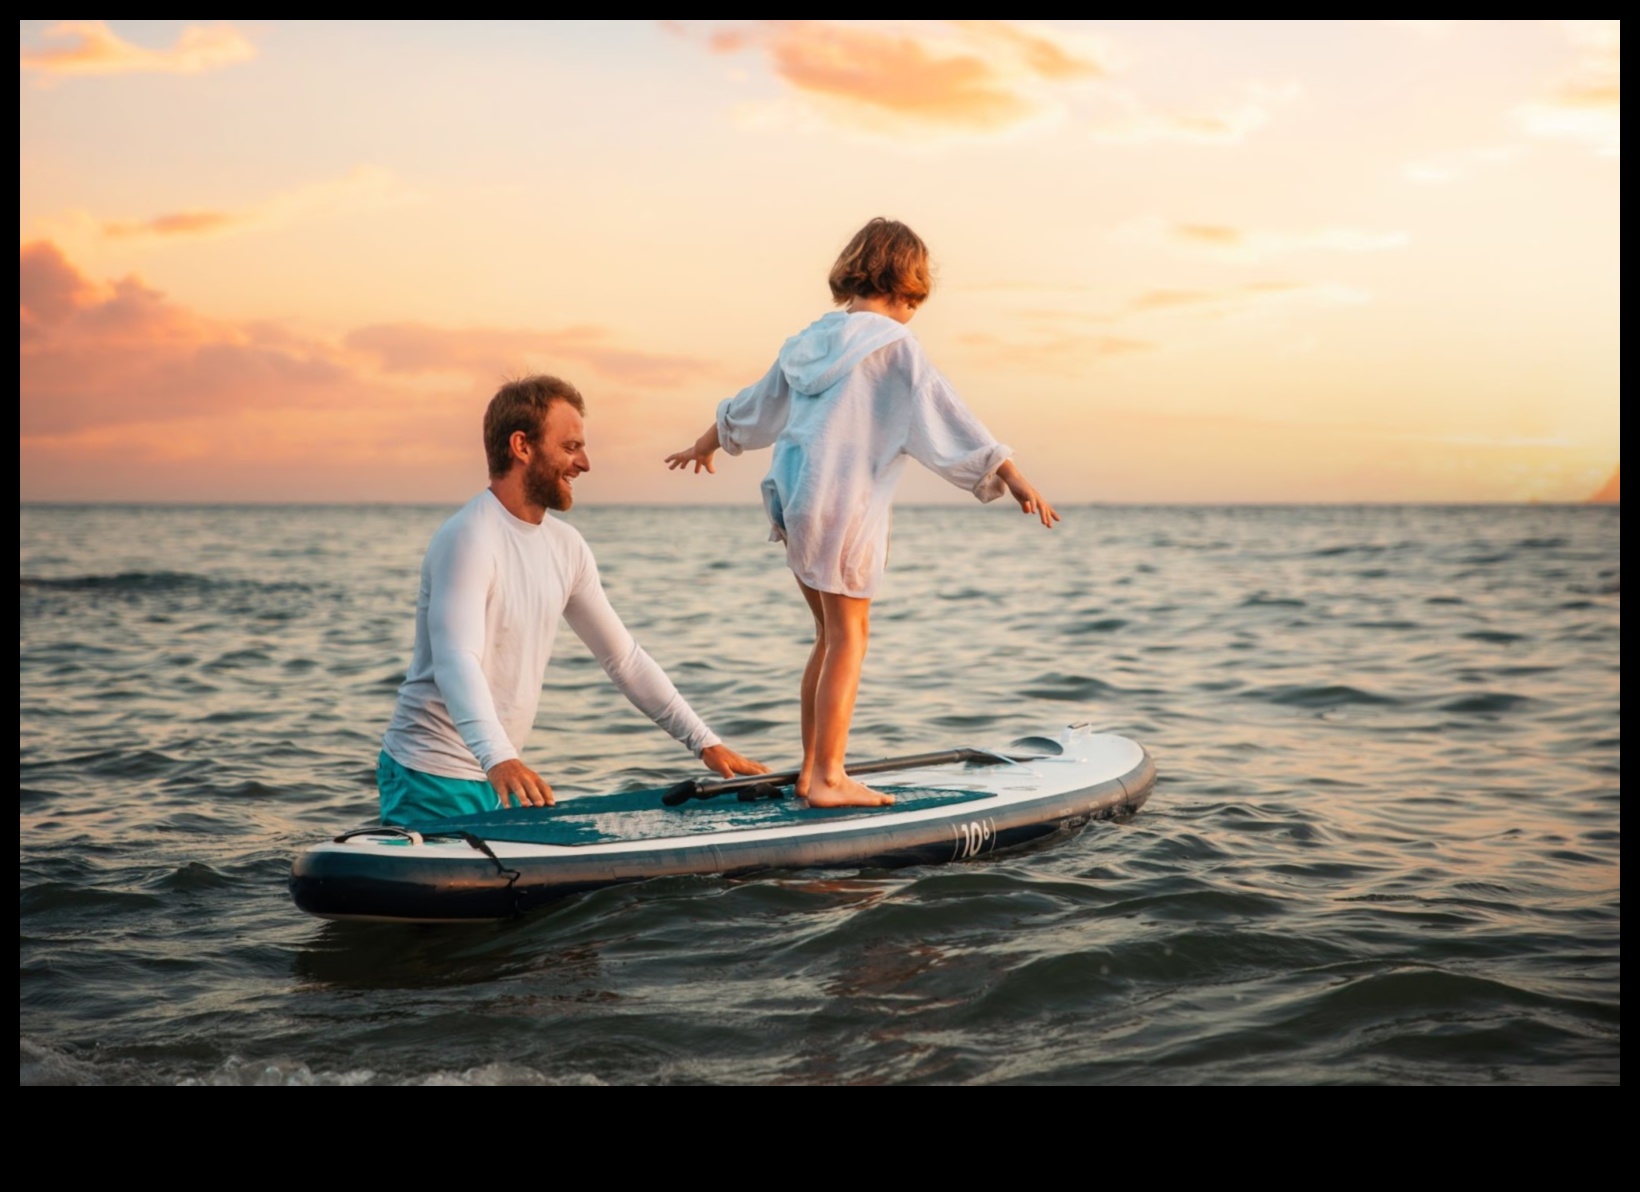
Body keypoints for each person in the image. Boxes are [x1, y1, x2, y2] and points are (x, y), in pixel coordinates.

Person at [665, 217, 1058, 809]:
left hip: (795, 501)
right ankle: (828, 777)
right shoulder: (895, 346)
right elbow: (949, 414)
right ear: (907, 286)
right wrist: (1012, 474)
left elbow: (753, 405)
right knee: (850, 636)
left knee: (826, 635)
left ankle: (812, 770)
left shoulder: (805, 342)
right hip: (845, 507)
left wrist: (706, 443)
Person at [377, 374, 767, 823]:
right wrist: (499, 758)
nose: (584, 463)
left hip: (498, 773)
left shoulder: (566, 547)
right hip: (432, 774)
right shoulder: (469, 538)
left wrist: (704, 742)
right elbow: (456, 660)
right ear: (521, 446)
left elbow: (624, 659)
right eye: (570, 447)